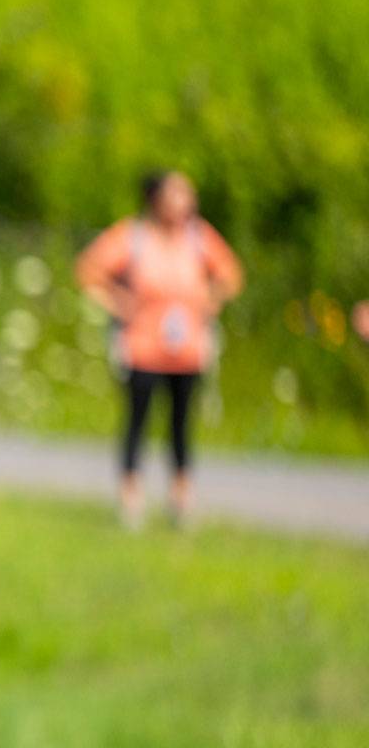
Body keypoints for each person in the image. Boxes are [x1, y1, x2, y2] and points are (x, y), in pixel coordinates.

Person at [76, 170, 244, 528]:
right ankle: (131, 496)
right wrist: (118, 301)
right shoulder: (133, 237)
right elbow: (88, 270)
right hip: (143, 346)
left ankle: (181, 497)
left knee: (181, 425)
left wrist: (210, 299)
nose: (184, 204)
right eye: (176, 196)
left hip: (187, 349)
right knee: (138, 421)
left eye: (187, 196)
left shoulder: (199, 238)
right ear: (156, 200)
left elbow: (231, 274)